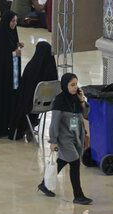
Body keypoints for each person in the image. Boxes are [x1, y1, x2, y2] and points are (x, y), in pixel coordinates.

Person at [38, 73, 93, 205]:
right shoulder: (60, 101)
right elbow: (55, 123)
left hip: (76, 137)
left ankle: (44, 184)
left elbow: (85, 114)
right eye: (72, 85)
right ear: (65, 85)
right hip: (64, 139)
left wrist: (81, 100)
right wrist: (53, 141)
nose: (75, 87)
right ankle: (78, 195)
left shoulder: (75, 99)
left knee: (63, 160)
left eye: (76, 84)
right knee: (74, 163)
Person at [9, 41, 58, 140]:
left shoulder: (32, 68)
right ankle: (32, 123)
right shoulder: (53, 71)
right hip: (47, 105)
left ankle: (25, 126)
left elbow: (24, 90)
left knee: (18, 99)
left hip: (32, 105)